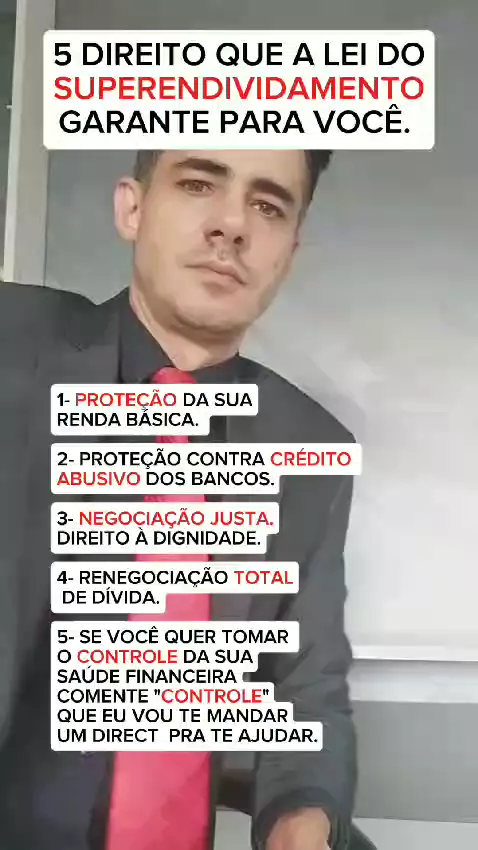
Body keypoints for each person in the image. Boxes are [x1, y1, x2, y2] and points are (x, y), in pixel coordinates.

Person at [0, 148, 357, 850]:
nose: (232, 225)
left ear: (290, 251)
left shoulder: (311, 448)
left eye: (268, 206)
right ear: (132, 208)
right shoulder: (10, 344)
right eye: (198, 184)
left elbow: (308, 686)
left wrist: (302, 821)